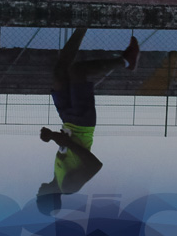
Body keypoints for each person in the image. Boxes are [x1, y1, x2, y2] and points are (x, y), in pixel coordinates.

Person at [36, 28, 141, 214]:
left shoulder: (57, 177)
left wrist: (54, 137)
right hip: (82, 123)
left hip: (67, 120)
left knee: (59, 73)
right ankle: (126, 61)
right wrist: (59, 139)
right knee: (77, 71)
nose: (37, 193)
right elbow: (95, 165)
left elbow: (68, 149)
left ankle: (83, 25)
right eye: (39, 197)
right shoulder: (69, 187)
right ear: (47, 197)